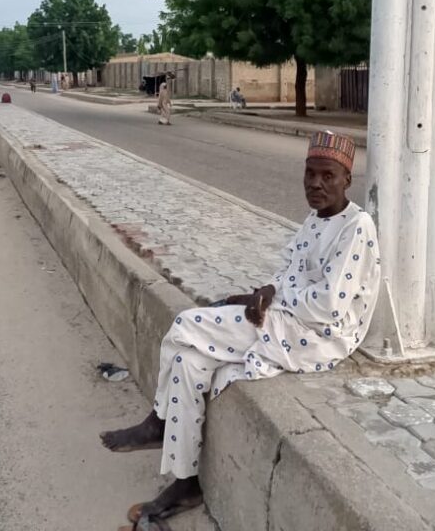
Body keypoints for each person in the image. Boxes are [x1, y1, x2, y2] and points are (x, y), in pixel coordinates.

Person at [100, 131, 380, 527]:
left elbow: (330, 305)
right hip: (282, 317)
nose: (316, 184)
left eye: (328, 176)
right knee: (186, 359)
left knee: (185, 324)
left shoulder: (357, 226)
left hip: (317, 336)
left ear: (347, 180)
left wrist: (271, 302)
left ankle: (158, 422)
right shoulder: (315, 220)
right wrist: (264, 292)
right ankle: (186, 482)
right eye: (310, 174)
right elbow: (289, 275)